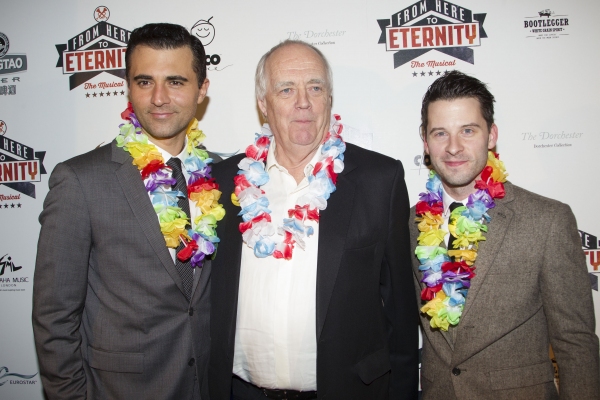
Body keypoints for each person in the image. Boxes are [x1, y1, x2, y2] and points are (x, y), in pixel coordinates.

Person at [208, 40, 418, 400]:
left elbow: (401, 314)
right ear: (263, 103)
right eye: (286, 89)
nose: (303, 102)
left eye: (315, 88)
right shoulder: (222, 182)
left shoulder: (379, 179)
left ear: (329, 98)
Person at [32, 23, 224, 399]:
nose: (159, 98)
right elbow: (54, 317)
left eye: (176, 81)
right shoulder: (79, 180)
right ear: (127, 86)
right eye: (144, 81)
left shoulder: (222, 176)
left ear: (202, 89)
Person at [411, 70, 600, 399]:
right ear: (425, 142)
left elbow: (576, 343)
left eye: (468, 130)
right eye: (440, 133)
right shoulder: (410, 223)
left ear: (492, 135)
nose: (454, 147)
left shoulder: (547, 219)